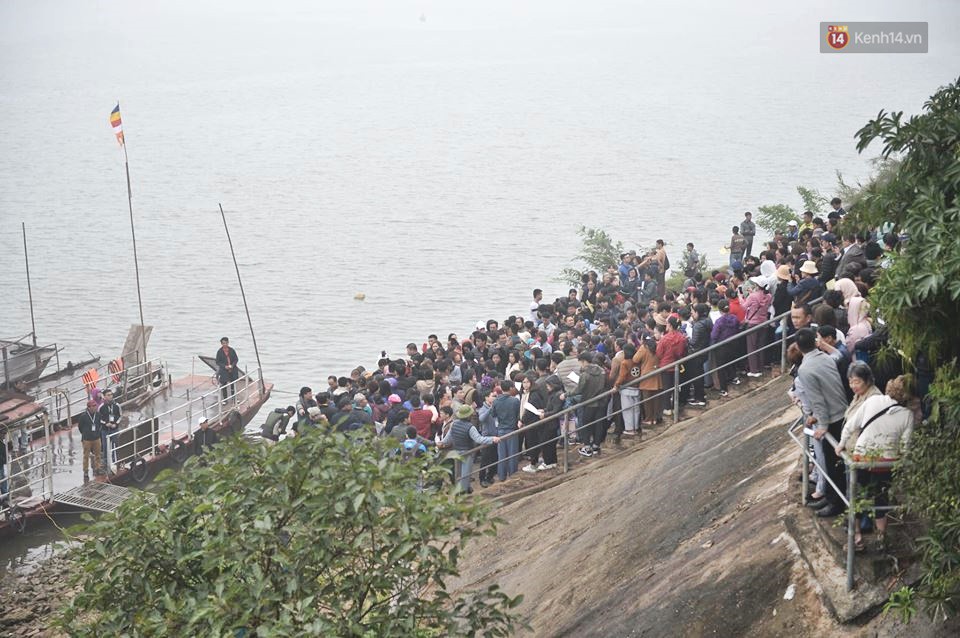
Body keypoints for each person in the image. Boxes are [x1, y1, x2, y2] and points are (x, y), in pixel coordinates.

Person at [836, 374, 914, 550]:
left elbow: (851, 424)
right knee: (880, 498)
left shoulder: (872, 401)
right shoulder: (907, 415)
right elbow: (905, 447)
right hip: (886, 462)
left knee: (856, 497)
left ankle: (856, 539)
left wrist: (841, 444)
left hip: (862, 457)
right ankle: (881, 538)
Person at [796, 328, 849, 518]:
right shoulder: (827, 358)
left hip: (832, 420)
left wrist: (822, 426)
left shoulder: (805, 369)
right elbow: (837, 354)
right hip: (842, 413)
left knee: (833, 464)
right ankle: (830, 496)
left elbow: (817, 400)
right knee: (835, 463)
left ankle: (836, 503)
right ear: (815, 342)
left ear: (798, 346)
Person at [438, 405, 500, 493]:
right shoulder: (470, 427)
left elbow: (447, 439)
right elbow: (479, 439)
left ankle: (458, 491)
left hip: (455, 452)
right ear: (469, 416)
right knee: (465, 475)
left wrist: (440, 443)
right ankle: (463, 493)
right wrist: (492, 439)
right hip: (467, 452)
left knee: (457, 474)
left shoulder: (453, 424)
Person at [569, 352, 607, 456]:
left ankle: (587, 447)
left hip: (589, 402)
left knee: (586, 425)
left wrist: (567, 394)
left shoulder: (585, 374)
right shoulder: (602, 371)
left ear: (584, 361)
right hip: (600, 401)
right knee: (598, 424)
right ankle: (596, 445)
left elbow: (579, 390)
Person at [492, 380, 521, 481]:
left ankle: (501, 476)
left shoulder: (495, 401)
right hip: (512, 430)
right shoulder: (515, 401)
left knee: (502, 456)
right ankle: (513, 474)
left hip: (501, 430)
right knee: (513, 454)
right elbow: (518, 414)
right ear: (510, 388)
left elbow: (493, 414)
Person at [96, 389, 122, 474]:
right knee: (106, 447)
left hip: (115, 429)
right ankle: (106, 464)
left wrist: (116, 424)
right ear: (104, 396)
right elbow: (99, 418)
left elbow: (120, 416)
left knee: (116, 446)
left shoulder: (117, 405)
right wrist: (106, 423)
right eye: (108, 395)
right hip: (105, 430)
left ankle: (117, 462)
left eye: (111, 394)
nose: (110, 396)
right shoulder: (101, 407)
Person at [77, 399, 102, 479]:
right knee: (86, 456)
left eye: (95, 406)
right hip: (87, 439)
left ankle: (98, 468)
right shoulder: (83, 416)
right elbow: (80, 427)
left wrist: (97, 433)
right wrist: (85, 433)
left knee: (98, 455)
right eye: (93, 406)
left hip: (96, 438)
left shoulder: (98, 415)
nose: (95, 407)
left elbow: (99, 424)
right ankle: (85, 471)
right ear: (89, 407)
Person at [215, 337, 240, 403]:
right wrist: (225, 366)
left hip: (232, 370)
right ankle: (225, 400)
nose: (225, 344)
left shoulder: (232, 350)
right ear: (221, 344)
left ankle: (234, 398)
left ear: (228, 343)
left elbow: (236, 359)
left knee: (233, 385)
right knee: (224, 385)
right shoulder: (219, 352)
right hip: (224, 371)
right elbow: (217, 362)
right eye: (223, 343)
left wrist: (232, 365)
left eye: (226, 343)